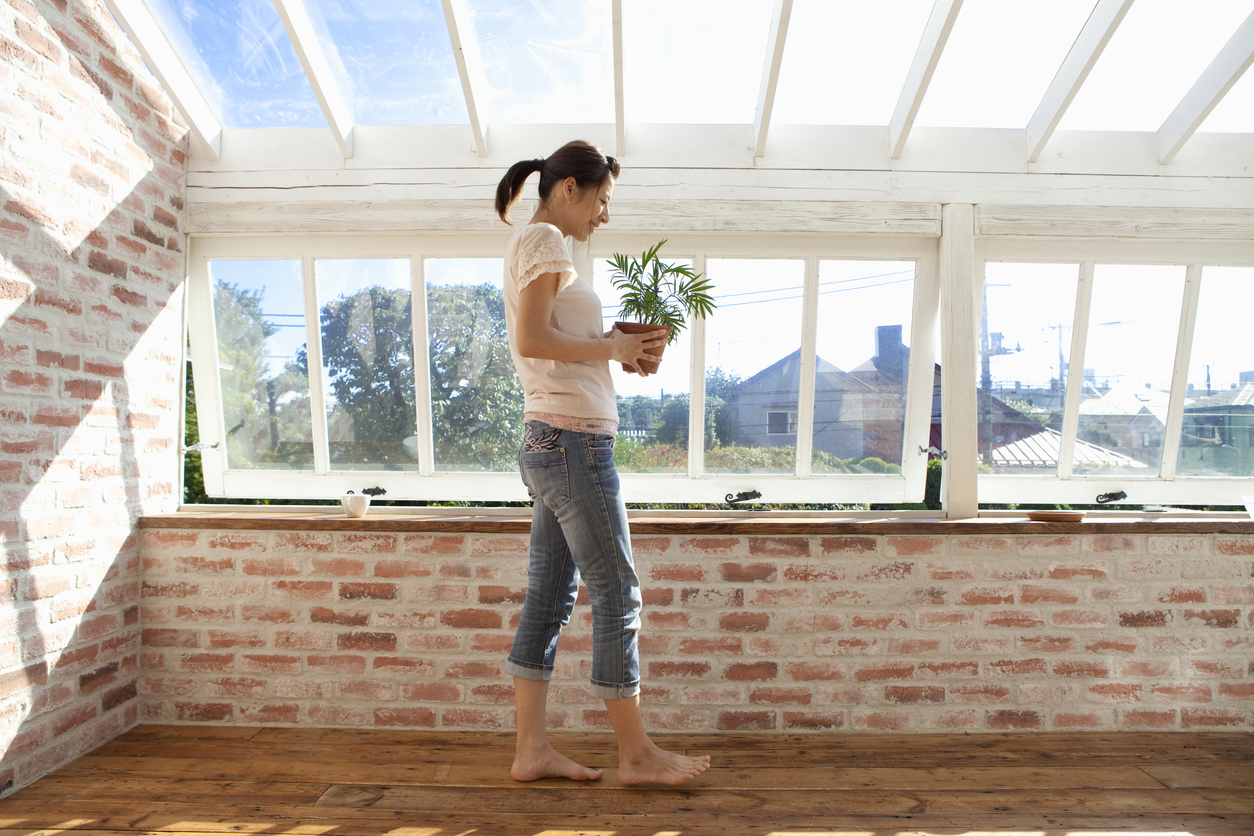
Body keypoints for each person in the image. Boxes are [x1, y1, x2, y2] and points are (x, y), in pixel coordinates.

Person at [495, 140, 711, 786]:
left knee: (550, 600)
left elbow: (552, 342)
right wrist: (614, 350)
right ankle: (637, 756)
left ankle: (531, 751)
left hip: (550, 440)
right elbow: (531, 339)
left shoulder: (539, 247)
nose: (605, 216)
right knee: (618, 593)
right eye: (603, 200)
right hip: (571, 444)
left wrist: (612, 345)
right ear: (569, 189)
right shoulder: (545, 243)